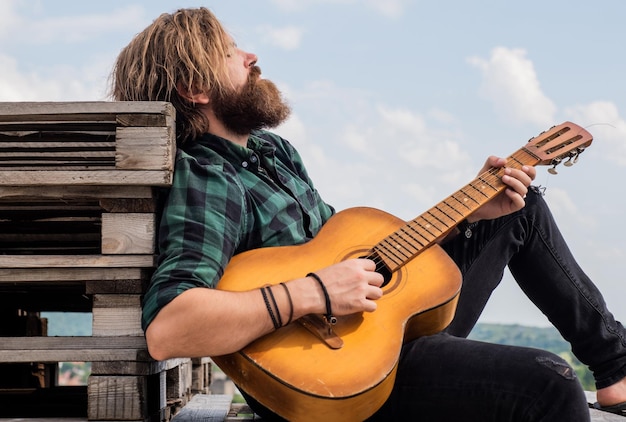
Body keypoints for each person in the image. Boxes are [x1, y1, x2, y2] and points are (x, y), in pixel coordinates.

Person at [110, 7, 626, 421]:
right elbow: (169, 327)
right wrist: (315, 292)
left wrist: (469, 213)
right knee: (547, 383)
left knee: (516, 209)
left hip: (383, 328)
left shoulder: (274, 153)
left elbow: (358, 249)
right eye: (230, 52)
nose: (251, 56)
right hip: (337, 378)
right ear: (196, 90)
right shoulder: (208, 177)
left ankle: (616, 371)